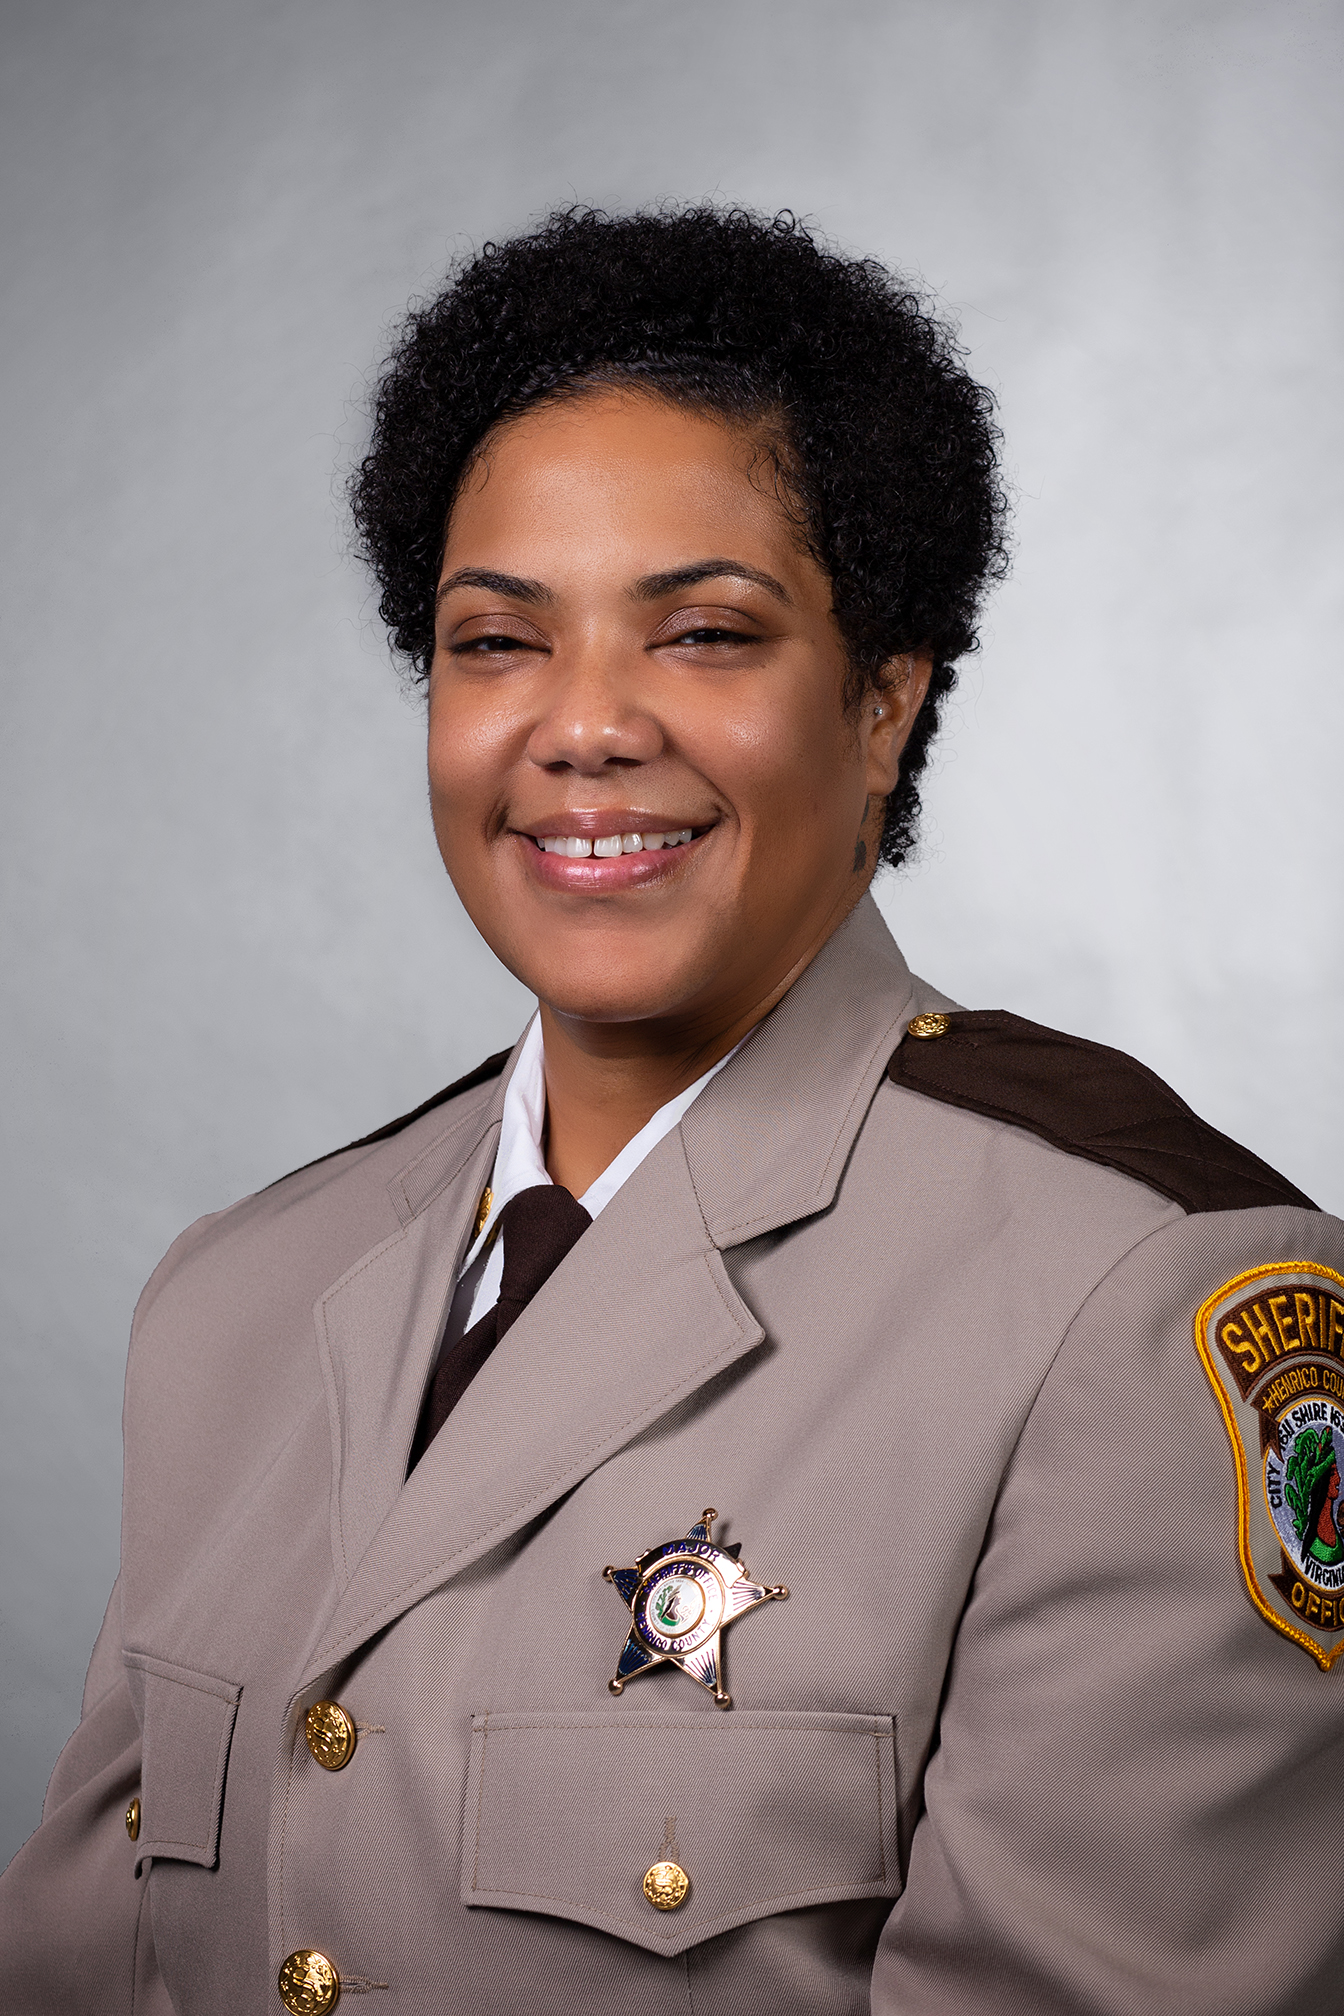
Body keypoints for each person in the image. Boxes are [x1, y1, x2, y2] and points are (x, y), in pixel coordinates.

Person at [2, 205, 1340, 2016]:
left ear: (882, 703)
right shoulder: (237, 1298)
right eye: (497, 642)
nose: (584, 728)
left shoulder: (1144, 1298)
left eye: (703, 635)